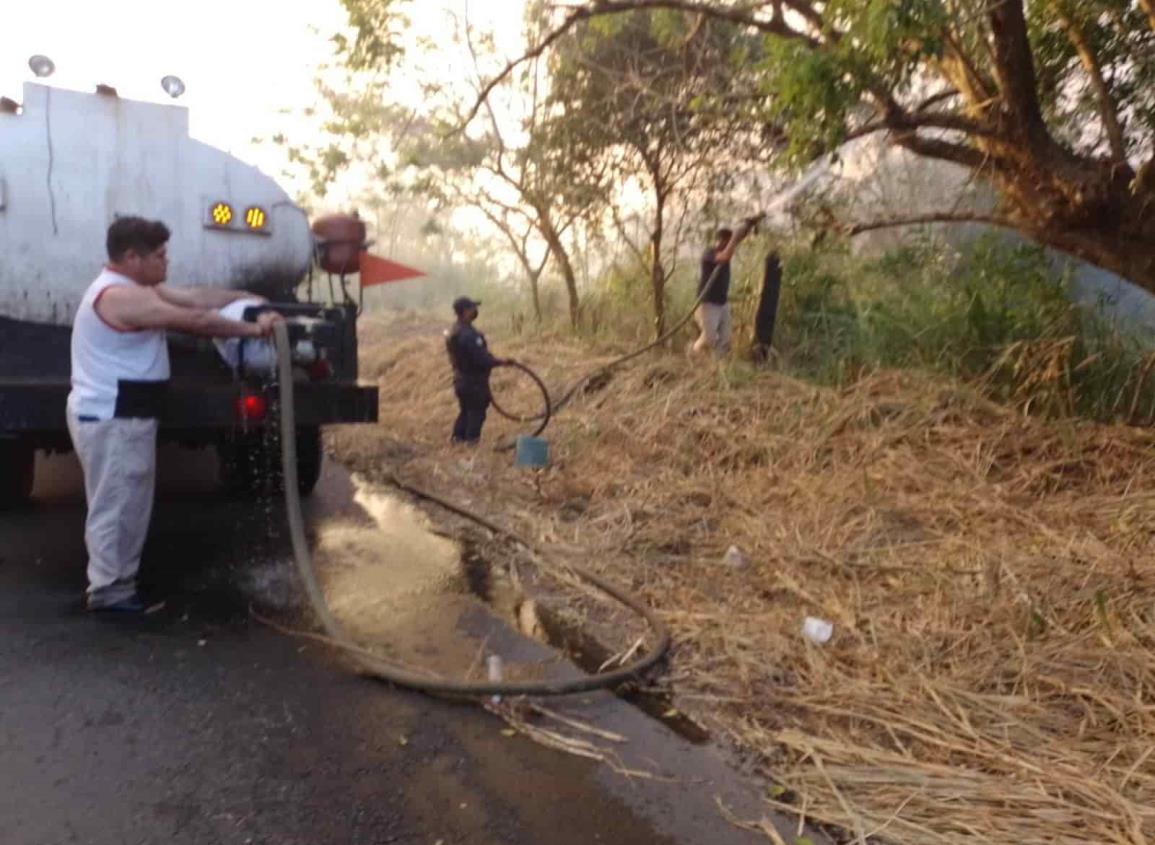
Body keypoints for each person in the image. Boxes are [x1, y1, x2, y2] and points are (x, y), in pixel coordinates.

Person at [67, 216, 283, 614]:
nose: (167, 262)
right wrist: (256, 332)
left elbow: (194, 298)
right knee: (117, 504)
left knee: (127, 502)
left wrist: (244, 296)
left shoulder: (137, 288)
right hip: (116, 416)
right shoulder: (120, 297)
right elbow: (195, 320)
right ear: (132, 257)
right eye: (160, 255)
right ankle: (110, 592)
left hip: (126, 414)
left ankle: (117, 584)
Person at [692, 214, 764, 356]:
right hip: (708, 303)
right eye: (726, 241)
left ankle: (717, 367)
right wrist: (735, 237)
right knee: (710, 339)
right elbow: (724, 256)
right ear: (719, 240)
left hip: (722, 303)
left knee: (725, 340)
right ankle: (694, 352)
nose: (728, 245)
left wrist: (748, 226)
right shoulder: (709, 253)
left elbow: (735, 243)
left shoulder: (728, 249)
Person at [444, 296, 511, 444]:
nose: (476, 311)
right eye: (473, 308)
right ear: (465, 311)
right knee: (476, 412)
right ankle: (471, 444)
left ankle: (457, 440)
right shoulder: (469, 335)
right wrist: (501, 362)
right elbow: (481, 358)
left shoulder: (454, 331)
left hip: (460, 380)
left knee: (466, 411)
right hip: (473, 382)